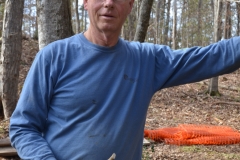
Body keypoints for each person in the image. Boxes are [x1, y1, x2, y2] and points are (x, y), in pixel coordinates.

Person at [9, 0, 240, 159]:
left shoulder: (147, 60)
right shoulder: (54, 57)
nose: (109, 3)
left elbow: (213, 57)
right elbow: (23, 127)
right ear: (86, 2)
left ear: (130, 5)